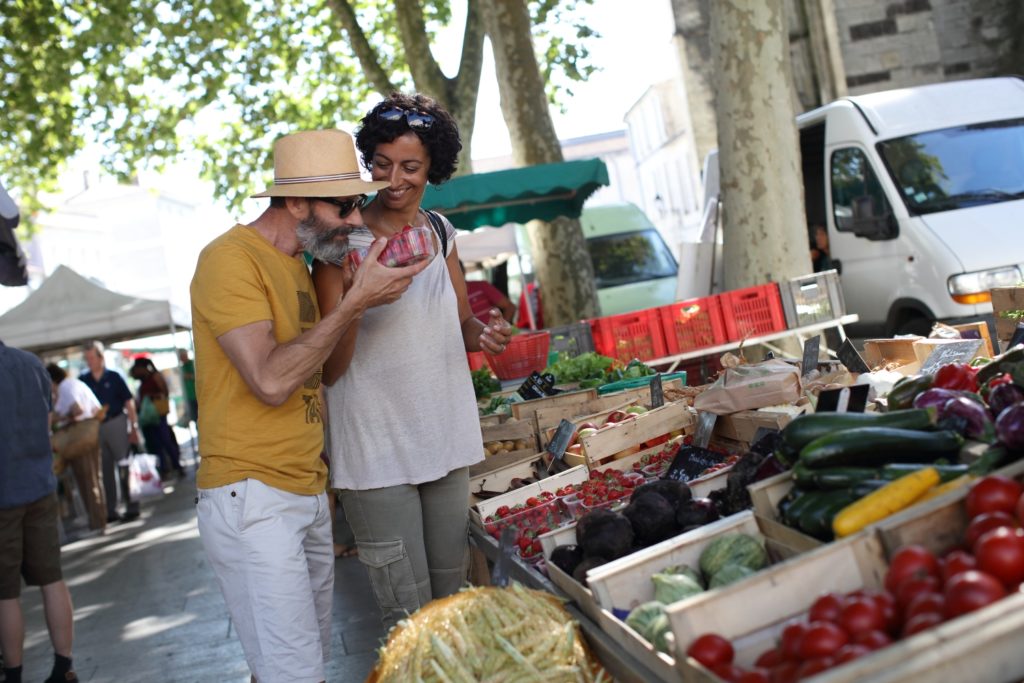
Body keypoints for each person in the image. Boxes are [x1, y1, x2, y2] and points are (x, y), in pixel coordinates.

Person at [189, 127, 430, 683]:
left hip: (303, 488)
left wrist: (351, 298)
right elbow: (271, 381)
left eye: (357, 205)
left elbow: (316, 373)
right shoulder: (228, 260)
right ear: (295, 201)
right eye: (344, 206)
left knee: (294, 667)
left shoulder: (297, 264)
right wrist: (352, 308)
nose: (354, 221)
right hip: (252, 495)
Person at [312, 92, 513, 630]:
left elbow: (461, 321)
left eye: (410, 167)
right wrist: (358, 301)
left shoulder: (440, 231)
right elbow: (329, 369)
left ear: (433, 170)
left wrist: (485, 336)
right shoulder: (339, 246)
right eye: (381, 164)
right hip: (376, 452)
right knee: (410, 618)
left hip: (444, 437)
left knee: (452, 602)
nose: (394, 179)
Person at [0, 341, 79, 683]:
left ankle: (14, 675)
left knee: (4, 593)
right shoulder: (32, 365)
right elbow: (46, 420)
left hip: (3, 494)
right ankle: (64, 667)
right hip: (40, 485)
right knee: (52, 579)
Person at [80, 341, 140, 524]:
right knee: (105, 470)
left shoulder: (114, 376)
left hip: (117, 423)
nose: (89, 362)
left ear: (100, 357)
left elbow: (129, 402)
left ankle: (132, 506)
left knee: (124, 466)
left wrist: (133, 427)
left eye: (92, 357)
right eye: (87, 358)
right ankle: (111, 510)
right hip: (96, 428)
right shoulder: (84, 380)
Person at [44, 364, 107, 532]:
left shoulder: (66, 387)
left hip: (79, 437)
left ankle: (97, 522)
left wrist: (62, 418)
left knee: (87, 480)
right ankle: (99, 519)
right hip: (90, 433)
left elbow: (77, 409)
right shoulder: (75, 383)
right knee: (94, 479)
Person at [129, 357, 184, 479]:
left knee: (165, 441)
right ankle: (164, 469)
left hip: (158, 415)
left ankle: (177, 466)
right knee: (156, 445)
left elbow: (165, 393)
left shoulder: (155, 376)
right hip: (148, 418)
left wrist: (151, 396)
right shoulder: (143, 380)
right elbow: (132, 374)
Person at [177, 349, 198, 427]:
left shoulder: (193, 363)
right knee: (195, 417)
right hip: (189, 396)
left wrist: (189, 376)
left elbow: (197, 377)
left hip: (197, 395)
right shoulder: (182, 367)